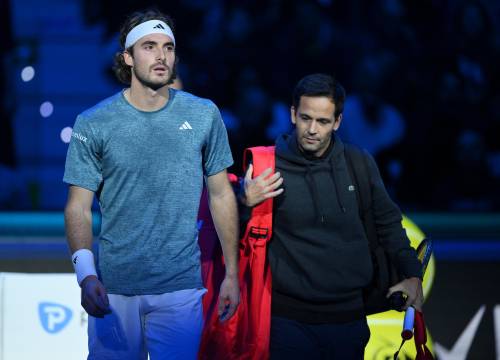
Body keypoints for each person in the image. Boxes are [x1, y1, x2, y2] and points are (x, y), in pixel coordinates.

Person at [63, 9, 239, 360]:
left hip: (181, 288)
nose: (161, 56)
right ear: (127, 57)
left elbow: (221, 195)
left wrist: (231, 274)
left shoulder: (203, 114)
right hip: (114, 289)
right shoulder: (94, 122)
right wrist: (86, 276)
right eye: (149, 46)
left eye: (168, 47)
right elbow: (77, 206)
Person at [238, 73, 423, 359]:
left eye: (323, 121)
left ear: (337, 122)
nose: (312, 129)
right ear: (292, 114)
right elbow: (235, 239)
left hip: (348, 319)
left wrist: (413, 274)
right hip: (286, 322)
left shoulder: (359, 163)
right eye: (305, 118)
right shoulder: (266, 167)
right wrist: (244, 203)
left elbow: (389, 225)